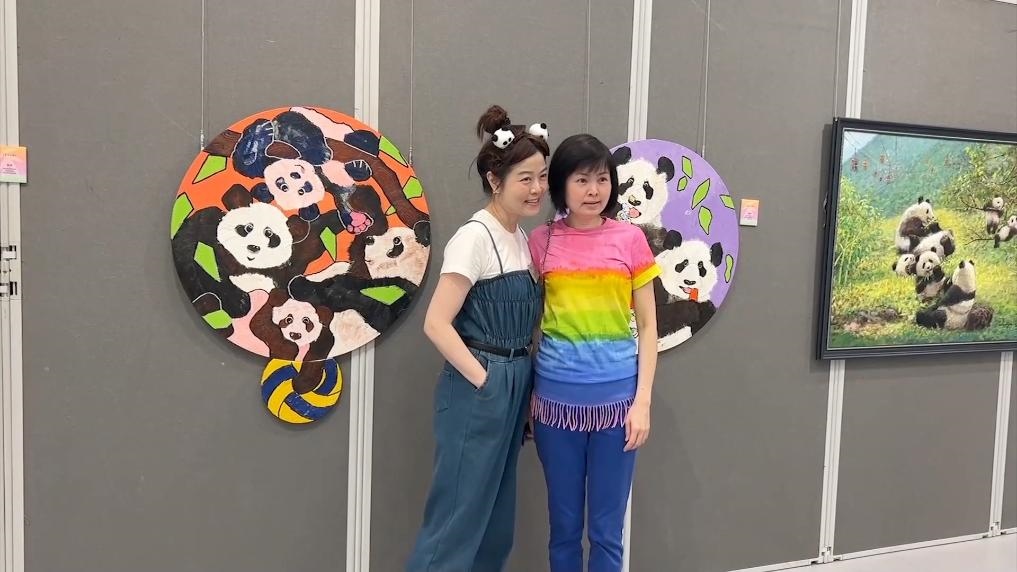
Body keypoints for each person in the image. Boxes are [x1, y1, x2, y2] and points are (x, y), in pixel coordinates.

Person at [406, 105, 550, 572]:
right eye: (525, 178)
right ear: (495, 180)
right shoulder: (474, 237)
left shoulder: (521, 238)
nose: (537, 188)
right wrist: (486, 381)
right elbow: (436, 322)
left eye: (542, 177)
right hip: (480, 384)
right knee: (457, 516)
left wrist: (518, 385)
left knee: (495, 518)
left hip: (515, 380)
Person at [528, 133, 659, 572]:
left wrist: (642, 403)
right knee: (563, 528)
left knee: (606, 531)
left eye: (602, 179)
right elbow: (530, 324)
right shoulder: (541, 241)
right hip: (554, 406)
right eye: (581, 180)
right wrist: (527, 397)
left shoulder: (631, 240)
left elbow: (649, 327)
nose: (593, 190)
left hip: (618, 407)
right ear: (561, 185)